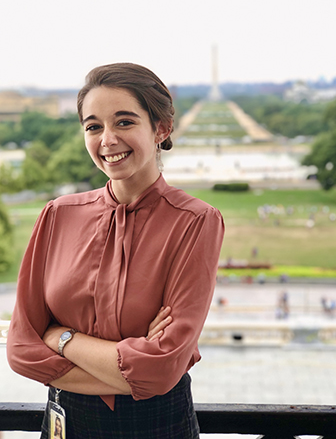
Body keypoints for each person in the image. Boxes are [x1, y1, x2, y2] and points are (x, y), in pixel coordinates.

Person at [7, 63, 224, 438]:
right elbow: (22, 350)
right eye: (93, 126)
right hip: (64, 423)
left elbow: (161, 369)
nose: (107, 139)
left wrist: (61, 338)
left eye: (124, 122)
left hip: (156, 425)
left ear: (161, 128)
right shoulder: (57, 215)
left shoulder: (196, 221)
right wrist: (131, 369)